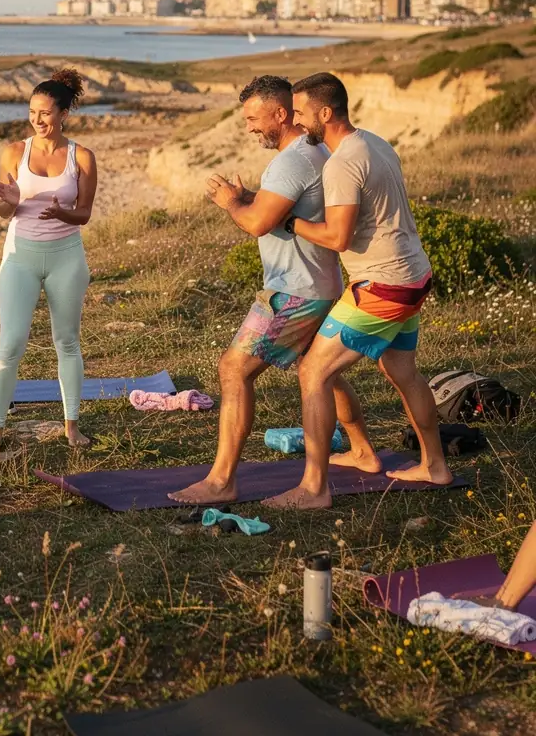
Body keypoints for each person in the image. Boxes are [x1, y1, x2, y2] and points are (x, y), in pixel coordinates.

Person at [263, 72, 452, 510]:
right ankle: (433, 465)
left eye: (302, 111)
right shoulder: (375, 142)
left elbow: (338, 236)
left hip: (383, 284)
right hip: (412, 276)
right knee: (404, 373)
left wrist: (289, 222)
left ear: (325, 113)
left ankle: (314, 489)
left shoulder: (342, 163)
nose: (296, 118)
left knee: (314, 371)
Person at [168, 75, 358, 505]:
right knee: (324, 372)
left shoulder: (293, 160)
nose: (250, 127)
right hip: (317, 285)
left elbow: (257, 222)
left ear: (281, 114)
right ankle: (362, 450)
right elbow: (285, 203)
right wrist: (252, 194)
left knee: (234, 370)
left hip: (294, 292)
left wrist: (231, 203)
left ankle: (222, 481)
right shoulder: (312, 152)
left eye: (254, 118)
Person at [0, 69, 98, 455]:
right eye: (32, 112)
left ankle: (71, 427)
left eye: (46, 112)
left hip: (66, 257)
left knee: (67, 342)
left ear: (63, 113)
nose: (38, 120)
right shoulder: (14, 152)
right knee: (10, 344)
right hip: (20, 258)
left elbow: (84, 215)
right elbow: (2, 211)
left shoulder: (83, 157)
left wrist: (63, 214)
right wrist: (10, 202)